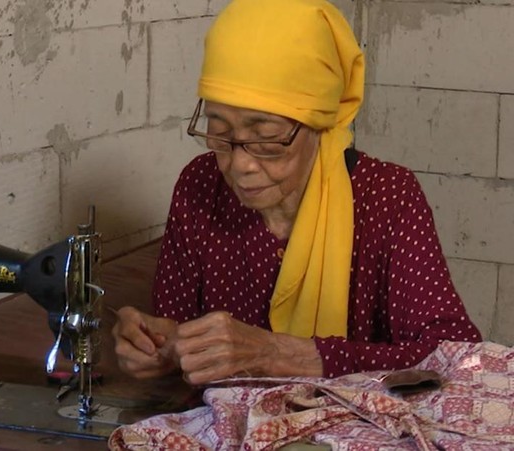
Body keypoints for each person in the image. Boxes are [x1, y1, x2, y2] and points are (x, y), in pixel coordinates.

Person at [112, 0, 482, 384]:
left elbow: (455, 354)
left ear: (319, 124)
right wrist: (157, 347)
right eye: (220, 133)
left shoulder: (387, 197)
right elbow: (175, 328)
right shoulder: (201, 186)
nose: (240, 164)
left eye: (267, 139)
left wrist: (280, 353)